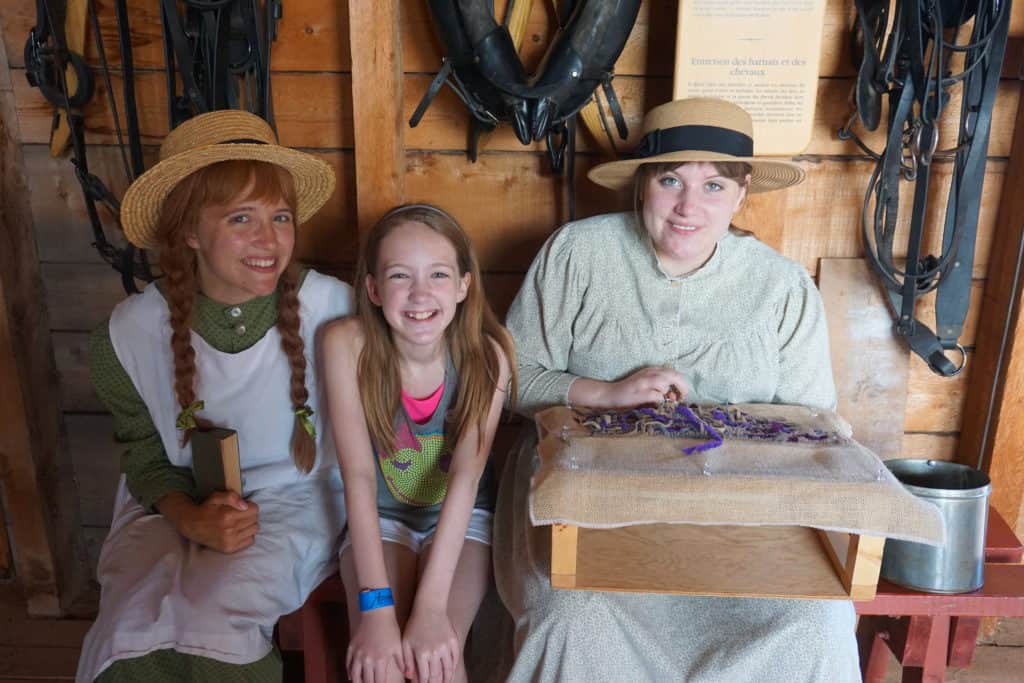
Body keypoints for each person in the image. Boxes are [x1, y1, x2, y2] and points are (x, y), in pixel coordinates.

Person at [494, 97, 856, 681]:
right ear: (641, 185)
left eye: (714, 186)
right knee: (572, 617)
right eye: (670, 180)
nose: (689, 206)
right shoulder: (579, 254)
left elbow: (813, 422)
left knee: (817, 625)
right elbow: (511, 377)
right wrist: (608, 394)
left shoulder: (781, 286)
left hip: (742, 524)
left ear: (742, 195)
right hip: (586, 511)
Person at [76, 110, 355, 682]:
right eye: (240, 218)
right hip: (167, 505)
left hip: (291, 496)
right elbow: (146, 458)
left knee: (216, 626)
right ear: (189, 232)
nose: (269, 238)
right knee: (131, 632)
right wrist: (190, 518)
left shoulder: (334, 311)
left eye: (281, 216)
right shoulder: (127, 335)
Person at [323, 204, 516, 683]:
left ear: (463, 286)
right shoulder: (347, 345)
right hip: (382, 519)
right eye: (399, 276)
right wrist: (377, 612)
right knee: (381, 667)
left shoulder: (486, 358)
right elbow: (359, 478)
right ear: (372, 289)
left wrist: (430, 610)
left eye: (437, 274)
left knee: (436, 665)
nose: (420, 294)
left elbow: (466, 480)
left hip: (460, 520)